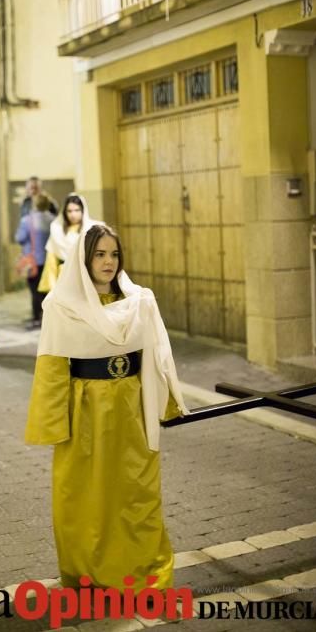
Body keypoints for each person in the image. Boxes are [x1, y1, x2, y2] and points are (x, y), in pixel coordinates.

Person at [25, 223, 189, 592]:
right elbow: (52, 368)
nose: (108, 261)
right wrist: (53, 426)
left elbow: (155, 356)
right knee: (87, 497)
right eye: (99, 254)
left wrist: (165, 404)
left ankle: (144, 572)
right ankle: (92, 576)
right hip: (86, 413)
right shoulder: (63, 306)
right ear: (84, 259)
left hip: (131, 409)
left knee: (137, 493)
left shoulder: (138, 301)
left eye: (114, 254)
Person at [38, 193, 98, 294]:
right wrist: (51, 288)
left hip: (87, 277)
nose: (73, 214)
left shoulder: (92, 229)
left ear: (83, 210)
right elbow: (51, 261)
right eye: (69, 211)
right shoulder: (57, 230)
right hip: (63, 279)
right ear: (64, 212)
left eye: (77, 210)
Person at [15, 193, 55, 329]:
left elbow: (19, 238)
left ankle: (37, 317)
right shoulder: (53, 220)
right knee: (48, 290)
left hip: (33, 261)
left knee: (35, 291)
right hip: (49, 260)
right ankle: (48, 316)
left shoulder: (27, 220)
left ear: (34, 205)